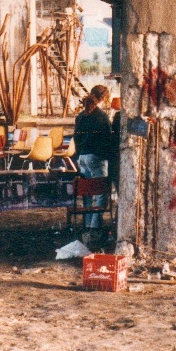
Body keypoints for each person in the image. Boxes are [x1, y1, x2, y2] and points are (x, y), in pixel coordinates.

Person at [74, 87, 113, 242]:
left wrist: (79, 154)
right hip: (96, 157)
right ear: (103, 99)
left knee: (88, 194)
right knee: (101, 192)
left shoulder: (80, 116)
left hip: (82, 157)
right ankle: (95, 228)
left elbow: (76, 137)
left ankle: (88, 226)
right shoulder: (102, 117)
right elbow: (107, 140)